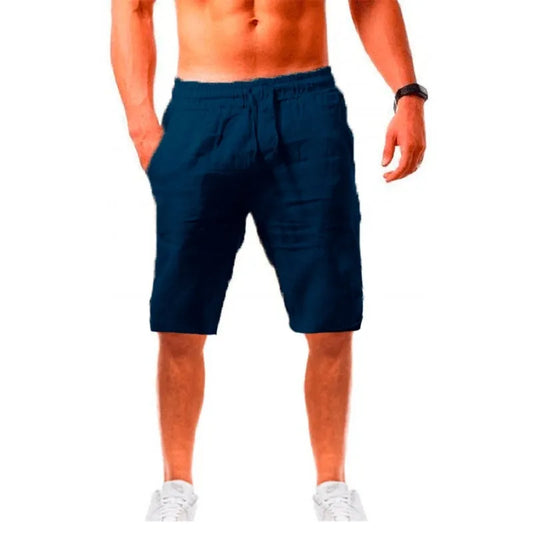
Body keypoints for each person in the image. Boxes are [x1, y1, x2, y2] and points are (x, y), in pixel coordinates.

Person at [110, 0, 427, 522]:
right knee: (180, 317)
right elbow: (133, 9)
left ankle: (333, 487)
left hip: (308, 108)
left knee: (331, 314)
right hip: (201, 109)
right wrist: (142, 125)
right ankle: (175, 488)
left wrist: (408, 94)